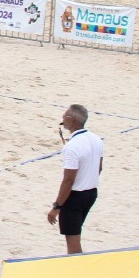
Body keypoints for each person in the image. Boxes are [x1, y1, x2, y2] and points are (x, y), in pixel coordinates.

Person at [47, 104, 103, 254]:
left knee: (72, 240)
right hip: (91, 193)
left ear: (72, 120)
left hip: (74, 197)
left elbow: (68, 180)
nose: (62, 119)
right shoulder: (96, 139)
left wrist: (56, 207)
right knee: (75, 234)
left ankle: (77, 266)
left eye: (64, 116)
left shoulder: (72, 147)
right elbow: (99, 168)